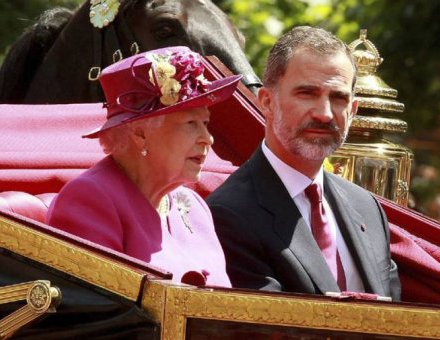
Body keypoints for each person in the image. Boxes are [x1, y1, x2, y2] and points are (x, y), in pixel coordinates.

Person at [207, 26, 401, 299]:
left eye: (338, 98)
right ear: (267, 101)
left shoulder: (367, 209)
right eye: (306, 93)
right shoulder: (229, 214)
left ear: (353, 110)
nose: (324, 114)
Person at [47, 46, 242, 287]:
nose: (207, 138)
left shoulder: (194, 206)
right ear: (140, 133)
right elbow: (96, 315)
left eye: (205, 123)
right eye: (191, 123)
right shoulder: (89, 200)